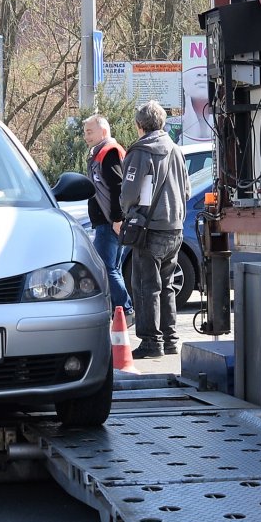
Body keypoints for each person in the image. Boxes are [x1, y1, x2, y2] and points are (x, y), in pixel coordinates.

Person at [120, 99, 189, 358]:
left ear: (140, 125)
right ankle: (170, 339)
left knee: (146, 286)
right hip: (175, 227)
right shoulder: (176, 149)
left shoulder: (141, 151)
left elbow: (129, 192)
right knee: (167, 285)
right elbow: (186, 189)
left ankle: (151, 342)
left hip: (149, 228)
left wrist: (127, 210)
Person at [82, 114, 132, 318]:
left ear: (103, 131)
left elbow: (117, 187)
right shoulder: (100, 152)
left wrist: (118, 219)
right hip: (107, 221)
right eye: (85, 132)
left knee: (105, 268)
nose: (86, 136)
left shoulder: (109, 152)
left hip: (109, 222)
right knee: (113, 268)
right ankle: (119, 310)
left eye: (89, 131)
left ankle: (125, 309)